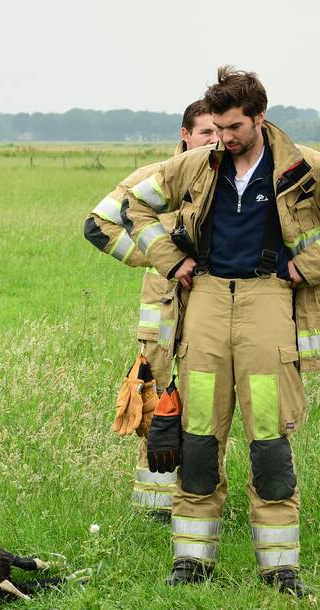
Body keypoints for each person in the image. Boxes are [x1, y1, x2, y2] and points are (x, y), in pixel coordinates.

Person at [122, 67, 320, 596]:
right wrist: (172, 260)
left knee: (268, 442)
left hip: (269, 300)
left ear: (260, 118)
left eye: (234, 126)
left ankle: (280, 569)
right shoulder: (195, 165)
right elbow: (132, 205)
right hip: (208, 303)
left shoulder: (304, 167)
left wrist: (306, 266)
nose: (224, 137)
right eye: (216, 127)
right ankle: (191, 563)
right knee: (197, 440)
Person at [83, 100, 217, 519]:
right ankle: (154, 507)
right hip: (161, 314)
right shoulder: (158, 177)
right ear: (185, 135)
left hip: (213, 311)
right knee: (156, 407)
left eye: (220, 132)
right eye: (205, 133)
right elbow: (98, 225)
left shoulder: (231, 179)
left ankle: (199, 498)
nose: (214, 141)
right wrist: (159, 257)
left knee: (208, 407)